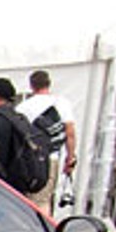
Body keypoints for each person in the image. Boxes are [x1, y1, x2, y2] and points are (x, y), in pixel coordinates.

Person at [15, 69, 77, 213]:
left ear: (31, 86)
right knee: (44, 199)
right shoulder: (62, 103)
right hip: (52, 157)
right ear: (49, 84)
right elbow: (70, 133)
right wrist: (71, 157)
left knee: (28, 197)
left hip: (30, 158)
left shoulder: (23, 107)